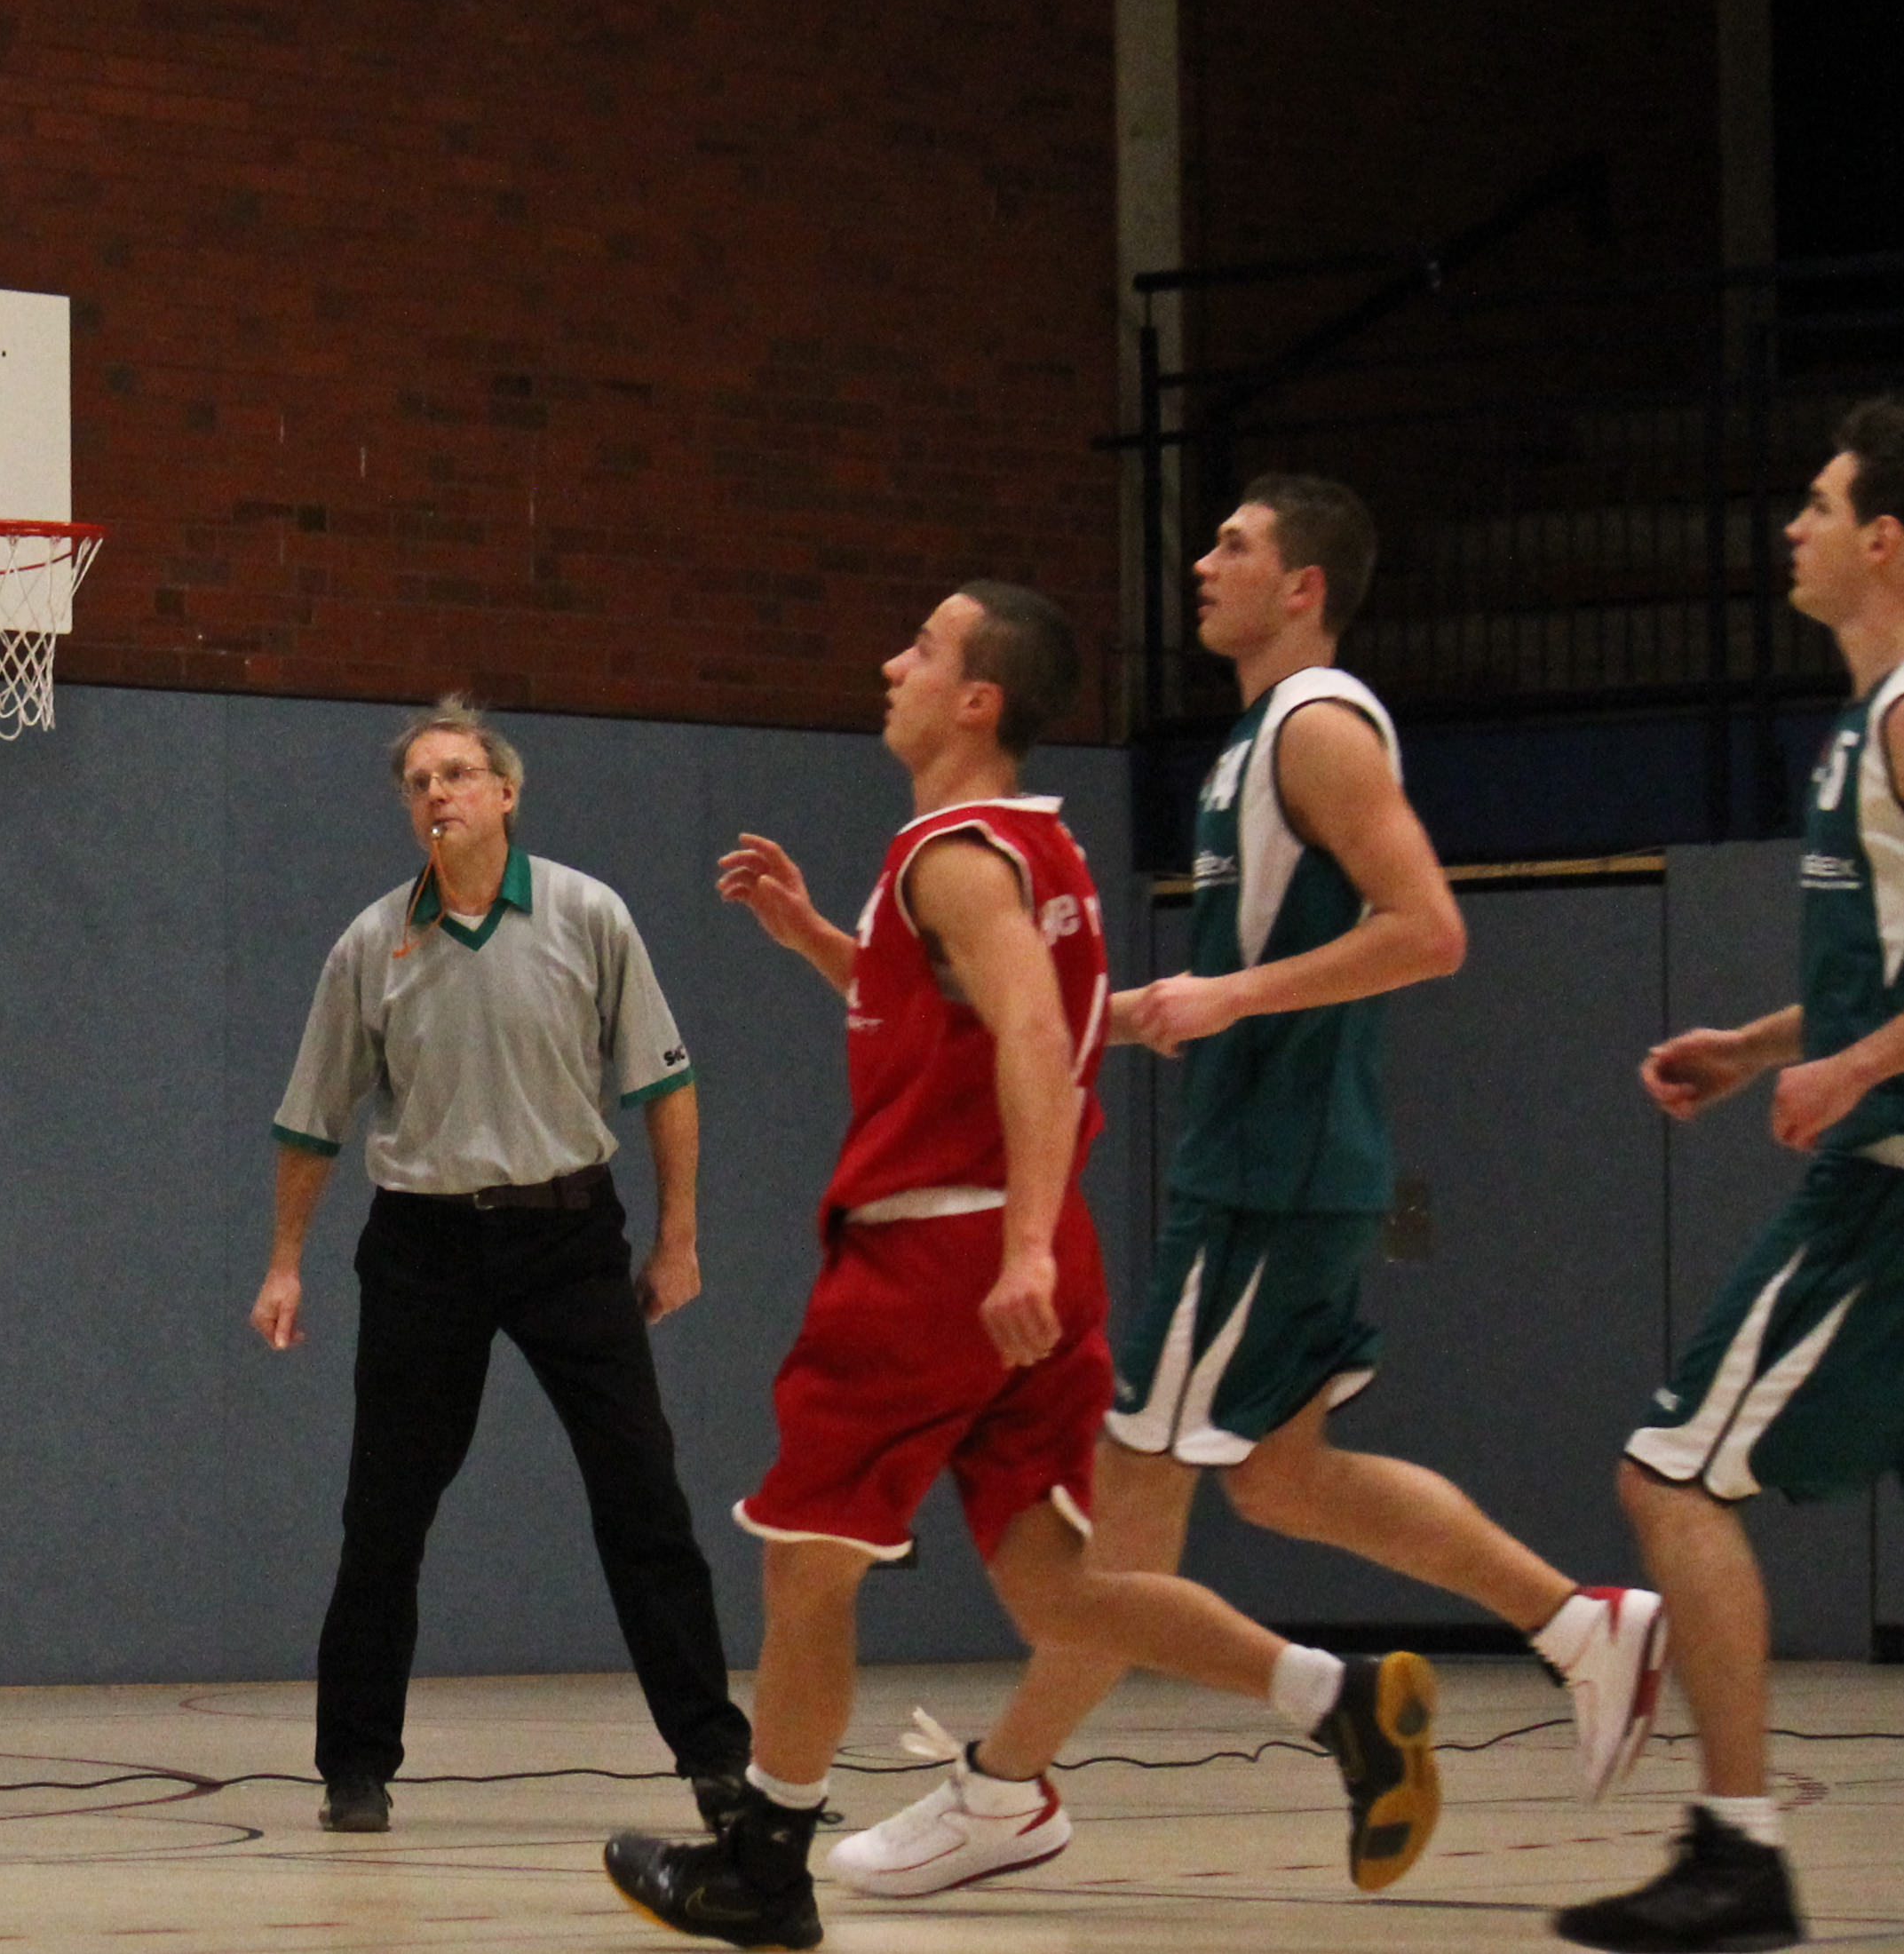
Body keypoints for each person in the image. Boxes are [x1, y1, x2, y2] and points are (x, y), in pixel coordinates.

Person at [837, 480, 1664, 1899]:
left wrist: (1229, 994)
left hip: (1267, 1168)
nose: (1203, 561)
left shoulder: (1317, 724)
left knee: (1125, 1498)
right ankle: (1579, 1620)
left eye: (1235, 543)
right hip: (1275, 1160)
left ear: (1302, 586)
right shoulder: (1250, 739)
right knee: (1282, 1477)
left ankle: (1003, 1787)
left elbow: (1429, 928)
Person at [610, 584, 1442, 1950]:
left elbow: (1031, 1046)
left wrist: (1017, 1246)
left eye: (923, 646)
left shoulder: (954, 853)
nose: (893, 662)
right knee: (1058, 1585)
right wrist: (819, 938)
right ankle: (1333, 1696)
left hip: (937, 1251)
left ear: (976, 699)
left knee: (808, 1561)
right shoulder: (1032, 847)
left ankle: (763, 1863)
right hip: (1021, 1254)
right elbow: (954, 1020)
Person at [249, 696, 751, 1839]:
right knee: (384, 1510)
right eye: (419, 781)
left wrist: (676, 1239)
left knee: (640, 1493)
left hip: (567, 1238)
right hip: (421, 1245)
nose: (438, 793)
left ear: (506, 793)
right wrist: (284, 1261)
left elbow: (663, 1084)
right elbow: (310, 1119)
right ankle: (353, 1766)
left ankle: (716, 1760)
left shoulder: (587, 913)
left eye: (459, 774)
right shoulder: (370, 943)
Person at [1554, 401, 1904, 1954]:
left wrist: (1854, 1068)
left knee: (1670, 1472)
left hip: (1882, 1191)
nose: (1790, 527)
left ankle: (1738, 1848)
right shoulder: (1860, 719)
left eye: (1817, 504)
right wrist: (1765, 1045)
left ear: (1882, 538)